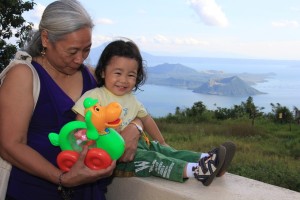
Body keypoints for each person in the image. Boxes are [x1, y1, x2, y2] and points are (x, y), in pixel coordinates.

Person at [0, 1, 142, 200]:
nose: (80, 59)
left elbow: (129, 107)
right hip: (35, 192)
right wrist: (62, 178)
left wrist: (136, 127)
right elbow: (10, 146)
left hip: (90, 192)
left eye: (87, 49)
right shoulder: (24, 75)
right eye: (73, 51)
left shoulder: (90, 76)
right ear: (46, 39)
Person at [72, 39, 236, 186]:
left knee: (165, 151)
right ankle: (198, 171)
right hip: (115, 158)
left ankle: (209, 160)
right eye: (117, 73)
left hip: (138, 145)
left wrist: (162, 141)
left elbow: (147, 120)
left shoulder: (132, 100)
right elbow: (79, 129)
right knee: (155, 160)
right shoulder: (94, 97)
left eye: (131, 75)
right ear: (102, 72)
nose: (123, 80)